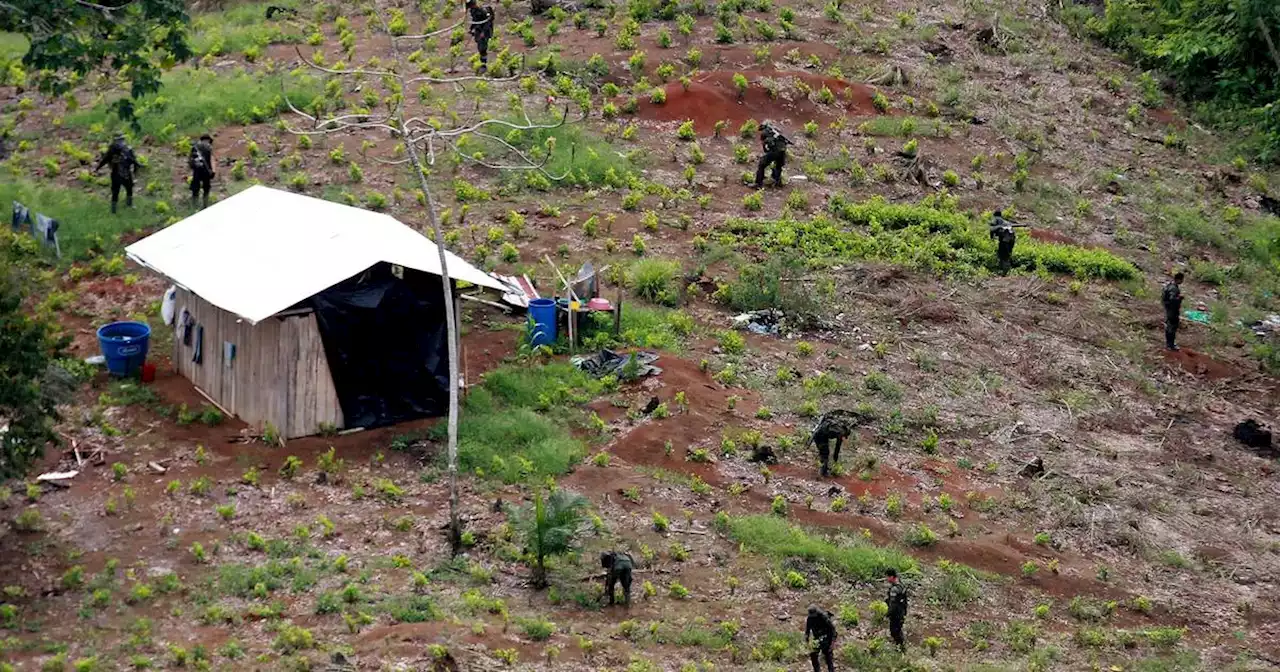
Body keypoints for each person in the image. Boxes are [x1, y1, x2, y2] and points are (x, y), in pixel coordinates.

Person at [95, 133, 140, 214]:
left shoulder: (128, 150)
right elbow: (105, 159)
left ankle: (129, 204)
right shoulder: (112, 150)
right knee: (115, 191)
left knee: (129, 188)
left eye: (121, 140)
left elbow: (134, 161)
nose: (120, 142)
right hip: (116, 173)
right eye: (118, 140)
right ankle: (113, 210)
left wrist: (135, 170)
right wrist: (97, 168)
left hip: (126, 172)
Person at [754, 120, 791, 189]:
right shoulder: (777, 131)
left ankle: (758, 184)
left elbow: (765, 146)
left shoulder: (765, 132)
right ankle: (778, 182)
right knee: (778, 166)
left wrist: (768, 155)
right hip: (783, 151)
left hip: (775, 151)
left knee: (761, 164)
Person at [804, 604, 836, 672]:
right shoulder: (810, 619)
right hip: (817, 638)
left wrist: (832, 643)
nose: (812, 617)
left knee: (828, 657)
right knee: (813, 654)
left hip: (827, 637)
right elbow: (807, 631)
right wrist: (807, 642)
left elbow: (833, 630)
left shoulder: (823, 617)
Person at [465, 0, 495, 73]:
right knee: (479, 46)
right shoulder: (473, 10)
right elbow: (475, 20)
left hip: (486, 30)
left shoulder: (482, 11)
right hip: (479, 29)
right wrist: (471, 29)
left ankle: (484, 65)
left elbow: (487, 22)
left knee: (483, 48)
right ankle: (482, 62)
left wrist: (483, 33)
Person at [989, 209, 1020, 274]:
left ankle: (1004, 272)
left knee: (1002, 254)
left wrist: (991, 238)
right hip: (1012, 238)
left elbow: (991, 229)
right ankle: (1010, 270)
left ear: (994, 215)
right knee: (1008, 254)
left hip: (1005, 239)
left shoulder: (996, 219)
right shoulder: (1005, 222)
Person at [189, 134, 215, 210]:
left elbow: (190, 159)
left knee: (198, 188)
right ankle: (202, 205)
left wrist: (192, 167)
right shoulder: (207, 147)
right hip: (204, 171)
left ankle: (197, 206)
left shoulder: (196, 147)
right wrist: (213, 170)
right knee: (203, 188)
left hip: (200, 170)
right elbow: (212, 159)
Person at [886, 568, 909, 652]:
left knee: (894, 632)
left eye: (887, 577)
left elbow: (893, 604)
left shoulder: (895, 589)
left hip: (896, 614)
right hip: (901, 613)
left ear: (892, 577)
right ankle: (901, 649)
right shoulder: (902, 585)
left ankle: (900, 650)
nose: (887, 579)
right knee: (898, 631)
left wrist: (887, 614)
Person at [1162, 271, 1184, 351]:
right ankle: (1170, 344)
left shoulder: (1168, 285)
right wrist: (1180, 298)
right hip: (1172, 310)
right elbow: (1172, 299)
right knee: (1172, 327)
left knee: (1169, 326)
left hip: (1168, 309)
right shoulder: (1174, 288)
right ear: (1179, 279)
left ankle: (1169, 344)